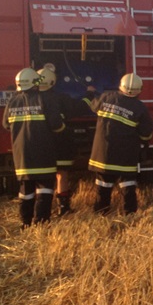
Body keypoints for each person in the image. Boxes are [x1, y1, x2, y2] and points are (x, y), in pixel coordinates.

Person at [2, 68, 66, 228]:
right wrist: (63, 129)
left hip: (22, 154)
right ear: (35, 83)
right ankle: (41, 222)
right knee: (44, 189)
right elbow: (56, 125)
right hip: (43, 152)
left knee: (26, 191)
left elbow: (6, 125)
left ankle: (25, 222)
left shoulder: (12, 101)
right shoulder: (45, 99)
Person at [88, 73, 153, 215]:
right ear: (139, 90)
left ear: (120, 86)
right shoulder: (140, 108)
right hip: (126, 155)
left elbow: (93, 106)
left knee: (103, 184)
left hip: (104, 153)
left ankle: (101, 211)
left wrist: (91, 93)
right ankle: (129, 213)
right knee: (128, 184)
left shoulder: (106, 97)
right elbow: (146, 133)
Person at [37, 65, 96, 215]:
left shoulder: (28, 99)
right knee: (61, 173)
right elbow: (80, 108)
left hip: (36, 144)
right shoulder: (60, 98)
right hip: (59, 142)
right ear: (53, 82)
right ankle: (63, 207)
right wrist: (89, 94)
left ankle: (40, 208)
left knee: (41, 177)